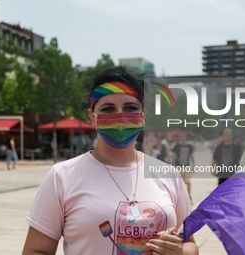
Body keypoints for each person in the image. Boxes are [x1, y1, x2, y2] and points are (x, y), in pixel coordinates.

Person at [22, 66, 198, 255]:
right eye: (108, 108)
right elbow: (35, 250)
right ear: (92, 117)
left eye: (130, 108)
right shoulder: (62, 177)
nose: (120, 116)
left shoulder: (168, 175)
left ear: (143, 116)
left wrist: (181, 252)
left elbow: (190, 244)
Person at [172, 131, 195, 203]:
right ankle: (180, 198)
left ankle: (189, 197)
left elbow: (192, 156)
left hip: (187, 166)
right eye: (180, 136)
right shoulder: (177, 146)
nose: (181, 137)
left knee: (188, 182)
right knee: (179, 183)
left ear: (185, 137)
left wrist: (193, 166)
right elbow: (174, 156)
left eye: (183, 136)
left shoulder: (189, 146)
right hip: (179, 166)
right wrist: (174, 164)